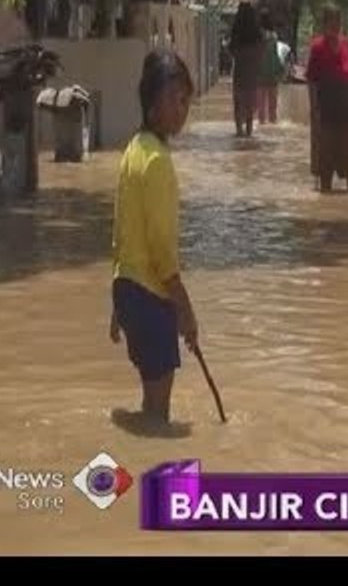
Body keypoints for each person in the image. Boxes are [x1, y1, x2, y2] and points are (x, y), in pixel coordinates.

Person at [109, 49, 199, 424]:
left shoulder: (134, 150)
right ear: (152, 104)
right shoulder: (158, 161)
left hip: (127, 290)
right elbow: (162, 249)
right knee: (160, 419)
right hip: (150, 296)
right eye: (174, 100)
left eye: (186, 101)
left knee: (148, 409)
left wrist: (118, 306)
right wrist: (186, 311)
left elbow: (123, 232)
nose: (181, 110)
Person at [305, 4, 348, 193]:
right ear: (324, 24)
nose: (336, 25)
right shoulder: (317, 47)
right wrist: (314, 109)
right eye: (331, 21)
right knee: (326, 162)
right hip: (327, 109)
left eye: (338, 21)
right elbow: (311, 80)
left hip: (347, 109)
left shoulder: (347, 44)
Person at [229, 2, 261, 137]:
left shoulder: (236, 32)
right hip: (252, 71)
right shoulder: (257, 32)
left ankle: (238, 131)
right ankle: (249, 130)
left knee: (239, 101)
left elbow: (231, 50)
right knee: (250, 102)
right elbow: (261, 51)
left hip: (240, 70)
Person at [253, 9, 286, 125]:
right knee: (273, 107)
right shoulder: (274, 36)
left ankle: (262, 124)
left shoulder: (257, 36)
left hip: (260, 73)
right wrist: (281, 71)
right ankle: (273, 125)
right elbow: (277, 55)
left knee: (261, 106)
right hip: (272, 73)